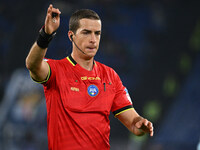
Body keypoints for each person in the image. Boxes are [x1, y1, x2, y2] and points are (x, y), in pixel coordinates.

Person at [25, 4, 154, 150]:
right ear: (71, 36)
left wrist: (140, 124)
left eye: (97, 33)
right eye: (86, 32)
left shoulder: (110, 76)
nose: (93, 39)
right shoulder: (57, 70)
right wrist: (45, 36)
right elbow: (32, 65)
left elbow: (133, 123)